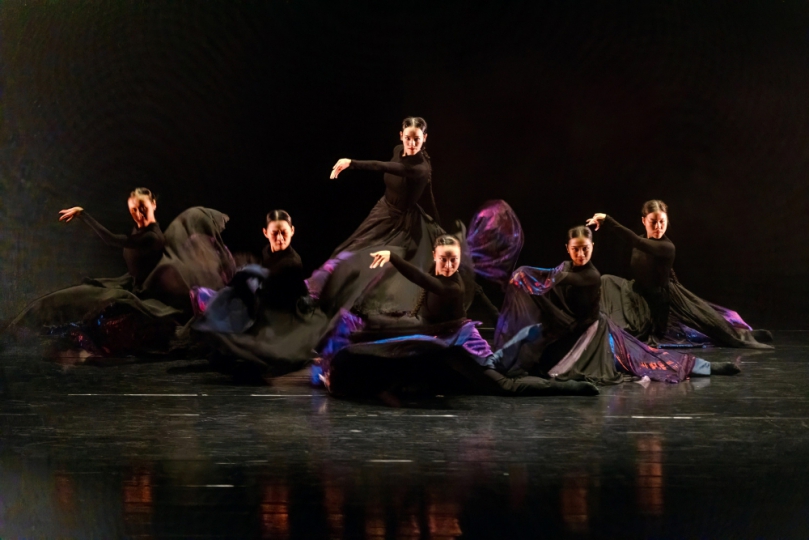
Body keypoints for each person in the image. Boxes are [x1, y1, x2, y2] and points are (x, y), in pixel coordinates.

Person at [319, 235, 600, 399]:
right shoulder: (436, 272)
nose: (448, 265)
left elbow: (422, 280)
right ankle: (346, 378)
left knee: (506, 387)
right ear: (435, 256)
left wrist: (393, 258)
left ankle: (574, 387)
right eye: (443, 259)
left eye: (454, 260)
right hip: (445, 342)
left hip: (464, 344)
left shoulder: (452, 286)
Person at [493, 226, 740, 384]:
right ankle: (498, 361)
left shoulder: (590, 275)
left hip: (593, 333)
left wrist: (523, 273)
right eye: (576, 249)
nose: (581, 254)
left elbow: (553, 279)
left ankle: (707, 367)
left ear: (592, 247)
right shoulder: (565, 267)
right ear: (567, 249)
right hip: (574, 329)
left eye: (585, 249)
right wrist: (522, 278)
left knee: (643, 359)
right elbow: (552, 278)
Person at [6, 188, 234, 357]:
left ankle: (21, 329)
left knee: (79, 302)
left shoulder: (152, 236)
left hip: (145, 298)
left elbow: (112, 240)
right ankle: (19, 328)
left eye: (143, 208)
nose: (139, 214)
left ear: (154, 204)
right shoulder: (140, 230)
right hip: (130, 285)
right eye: (133, 210)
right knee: (67, 299)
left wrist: (83, 214)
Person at [308, 117, 475, 318]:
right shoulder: (398, 150)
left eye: (417, 139)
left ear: (424, 138)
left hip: (401, 224)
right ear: (401, 136)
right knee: (347, 250)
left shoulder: (420, 168)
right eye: (408, 138)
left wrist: (351, 163)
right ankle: (317, 292)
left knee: (372, 263)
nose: (411, 144)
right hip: (382, 211)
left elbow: (384, 167)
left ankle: (346, 306)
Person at [586, 200, 772, 349]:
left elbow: (635, 241)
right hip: (637, 291)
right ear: (644, 221)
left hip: (656, 301)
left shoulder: (666, 247)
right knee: (606, 280)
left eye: (662, 222)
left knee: (705, 319)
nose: (658, 226)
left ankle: (739, 334)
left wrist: (607, 220)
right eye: (653, 222)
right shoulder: (642, 241)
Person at [191, 210, 325, 378]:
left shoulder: (291, 263)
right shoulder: (267, 252)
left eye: (284, 232)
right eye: (274, 233)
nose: (280, 238)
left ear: (292, 231)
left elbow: (282, 300)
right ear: (265, 233)